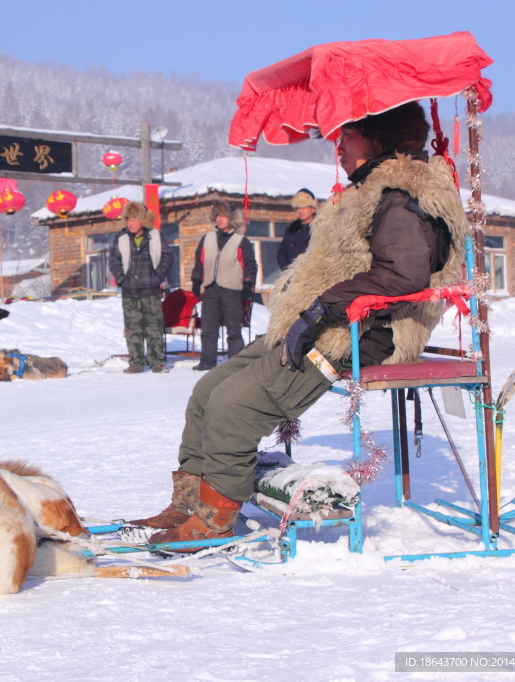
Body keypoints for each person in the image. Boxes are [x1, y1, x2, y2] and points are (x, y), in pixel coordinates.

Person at [128, 102, 467, 544]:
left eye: (348, 136)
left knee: (234, 406)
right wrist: (309, 310)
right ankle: (189, 501)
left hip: (364, 331)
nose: (338, 145)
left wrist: (323, 306)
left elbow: (404, 274)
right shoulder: (368, 191)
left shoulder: (399, 197)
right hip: (319, 320)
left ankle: (214, 518)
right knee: (207, 390)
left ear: (377, 138)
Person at [190, 202, 258, 371]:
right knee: (208, 328)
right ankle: (207, 361)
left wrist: (248, 285)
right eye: (218, 216)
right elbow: (199, 263)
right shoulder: (207, 238)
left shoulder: (241, 241)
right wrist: (196, 282)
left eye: (224, 216)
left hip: (232, 290)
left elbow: (250, 265)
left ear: (232, 219)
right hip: (211, 288)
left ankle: (235, 364)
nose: (220, 220)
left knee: (234, 330)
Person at [108, 201, 174, 374]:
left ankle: (157, 362)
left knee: (154, 328)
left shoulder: (155, 236)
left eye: (135, 219)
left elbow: (167, 257)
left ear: (143, 220)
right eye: (128, 219)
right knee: (132, 329)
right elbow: (114, 261)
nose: (131, 223)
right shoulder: (120, 237)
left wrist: (158, 276)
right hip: (130, 292)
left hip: (151, 291)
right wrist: (122, 278)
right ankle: (136, 362)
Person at [276, 189, 317, 271]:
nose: (300, 211)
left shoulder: (321, 228)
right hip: (293, 277)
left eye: (303, 207)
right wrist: (287, 270)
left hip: (314, 276)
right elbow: (282, 253)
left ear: (313, 209)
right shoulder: (291, 230)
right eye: (298, 208)